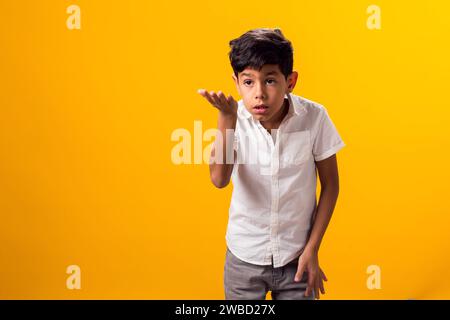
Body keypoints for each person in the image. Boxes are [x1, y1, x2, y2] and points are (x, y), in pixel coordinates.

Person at [197, 28, 346, 300]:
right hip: (244, 257)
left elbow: (331, 186)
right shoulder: (234, 117)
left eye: (270, 81)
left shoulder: (314, 117)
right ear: (236, 82)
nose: (259, 94)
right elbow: (219, 179)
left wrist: (312, 249)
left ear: (290, 81)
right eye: (248, 82)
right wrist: (226, 120)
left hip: (297, 258)